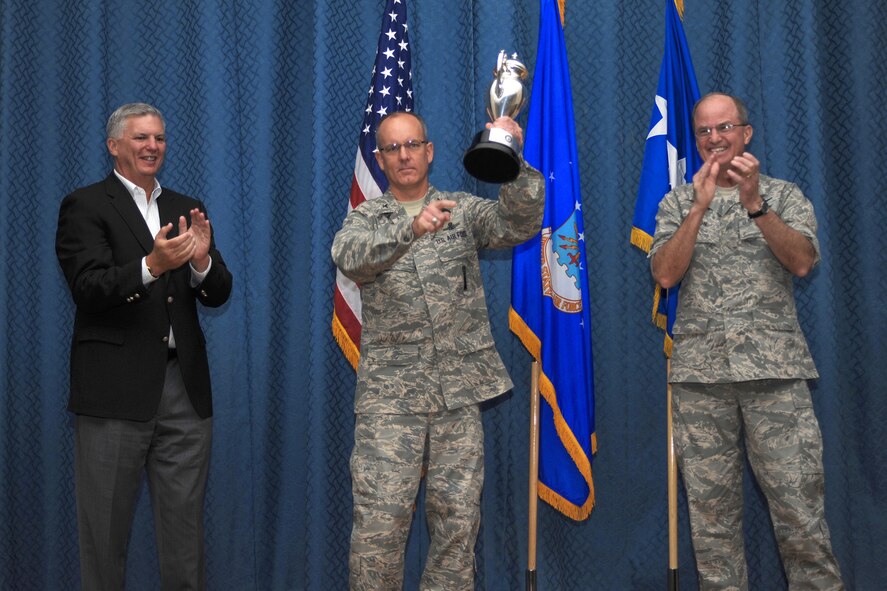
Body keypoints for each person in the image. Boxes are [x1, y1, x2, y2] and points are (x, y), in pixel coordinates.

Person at [332, 111, 544, 590]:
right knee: (379, 529)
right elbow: (348, 258)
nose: (404, 155)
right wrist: (411, 231)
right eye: (393, 148)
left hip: (457, 398)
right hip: (391, 403)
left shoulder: (463, 209)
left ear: (429, 151)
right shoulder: (365, 218)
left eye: (413, 145)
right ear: (381, 160)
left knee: (457, 528)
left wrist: (512, 156)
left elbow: (518, 224)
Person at [650, 92, 843, 589]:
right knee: (712, 528)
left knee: (800, 515)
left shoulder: (782, 195)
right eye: (704, 132)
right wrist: (698, 209)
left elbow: (802, 262)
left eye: (724, 128)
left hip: (774, 378)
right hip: (702, 380)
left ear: (746, 133)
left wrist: (755, 205)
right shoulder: (675, 202)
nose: (715, 139)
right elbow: (665, 275)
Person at [55, 103, 233, 590]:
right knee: (105, 538)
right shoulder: (86, 204)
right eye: (140, 138)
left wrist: (200, 262)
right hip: (114, 391)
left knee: (184, 536)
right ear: (114, 146)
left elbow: (217, 291)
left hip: (184, 388)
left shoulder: (184, 205)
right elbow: (88, 288)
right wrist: (150, 265)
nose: (152, 146)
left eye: (159, 138)